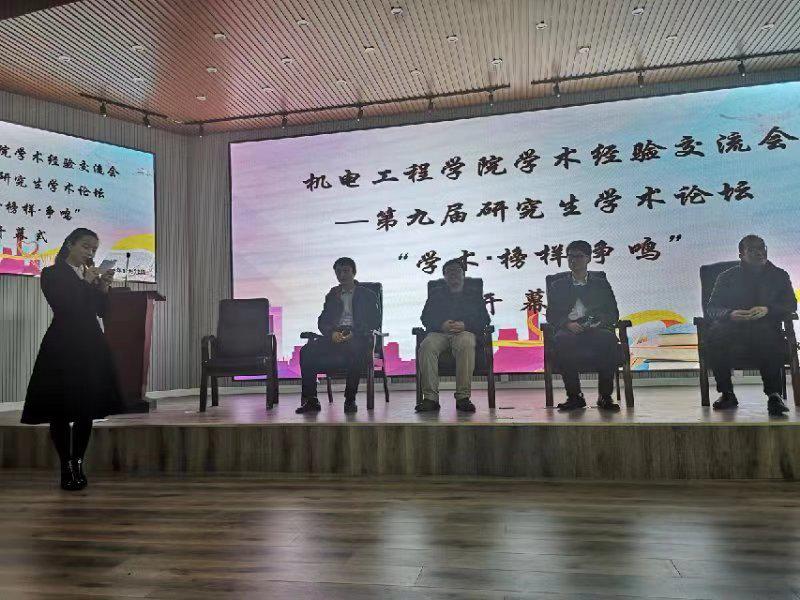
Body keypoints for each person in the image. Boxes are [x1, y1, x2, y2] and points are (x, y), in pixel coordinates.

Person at [21, 228, 124, 491]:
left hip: (91, 344)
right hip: (62, 345)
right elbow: (67, 306)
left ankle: (78, 462)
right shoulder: (52, 273)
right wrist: (87, 282)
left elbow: (101, 311)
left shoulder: (89, 275)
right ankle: (65, 465)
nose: (90, 252)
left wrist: (103, 286)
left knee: (85, 406)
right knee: (59, 407)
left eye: (94, 249)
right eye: (86, 246)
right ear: (69, 244)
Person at [706, 234, 795, 416]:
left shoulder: (779, 275)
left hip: (766, 329)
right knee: (715, 337)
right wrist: (730, 314)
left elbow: (791, 304)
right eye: (752, 249)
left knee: (767, 336)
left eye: (762, 248)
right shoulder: (727, 277)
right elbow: (712, 308)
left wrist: (768, 309)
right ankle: (727, 394)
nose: (759, 252)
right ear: (741, 255)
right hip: (733, 330)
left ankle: (774, 396)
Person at [296, 257, 380, 414]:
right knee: (306, 351)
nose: (342, 275)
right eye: (338, 272)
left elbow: (374, 321)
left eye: (346, 271)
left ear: (354, 272)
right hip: (335, 335)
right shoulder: (332, 295)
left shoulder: (367, 295)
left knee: (356, 349)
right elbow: (322, 321)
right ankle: (311, 400)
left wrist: (354, 333)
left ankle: (350, 399)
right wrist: (331, 333)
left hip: (357, 336)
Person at [546, 240, 621, 412]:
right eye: (570, 256)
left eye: (578, 256)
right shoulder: (558, 285)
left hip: (595, 328)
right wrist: (567, 323)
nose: (573, 260)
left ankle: (605, 396)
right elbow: (551, 314)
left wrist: (598, 322)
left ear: (588, 258)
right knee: (562, 340)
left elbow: (612, 313)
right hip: (569, 329)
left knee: (609, 339)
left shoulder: (600, 284)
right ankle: (575, 397)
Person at [415, 258, 491, 413]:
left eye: (457, 270)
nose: (453, 274)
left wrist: (465, 325)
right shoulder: (436, 294)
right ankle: (430, 398)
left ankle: (463, 398)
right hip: (439, 333)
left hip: (465, 332)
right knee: (426, 345)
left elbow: (484, 319)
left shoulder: (474, 295)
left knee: (465, 342)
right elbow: (425, 317)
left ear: (463, 274)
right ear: (444, 276)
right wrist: (441, 324)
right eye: (449, 271)